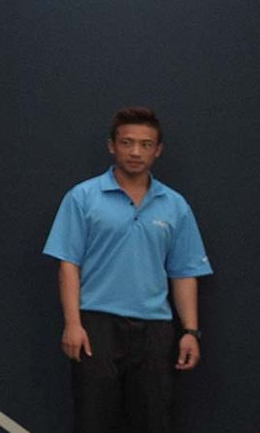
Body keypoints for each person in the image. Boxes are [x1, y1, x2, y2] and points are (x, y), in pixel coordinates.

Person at [43, 107, 212, 432]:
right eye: (127, 142)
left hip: (155, 331)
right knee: (94, 421)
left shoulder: (175, 205)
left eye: (146, 144)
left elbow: (184, 272)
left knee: (153, 421)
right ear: (112, 146)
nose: (136, 152)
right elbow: (68, 265)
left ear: (158, 150)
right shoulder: (83, 197)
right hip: (95, 327)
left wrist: (190, 332)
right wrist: (73, 324)